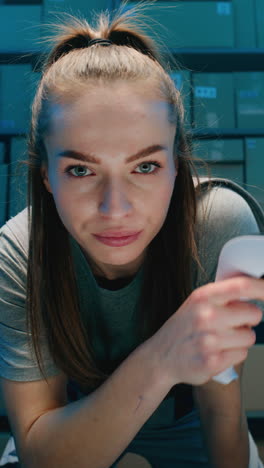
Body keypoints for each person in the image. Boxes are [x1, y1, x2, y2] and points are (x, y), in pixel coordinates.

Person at [0, 2, 264, 467]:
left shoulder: (219, 223)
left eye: (146, 166)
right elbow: (42, 454)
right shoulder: (19, 252)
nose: (115, 208)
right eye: (81, 170)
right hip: (73, 434)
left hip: (187, 436)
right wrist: (162, 357)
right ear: (45, 176)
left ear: (176, 168)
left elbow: (221, 414)